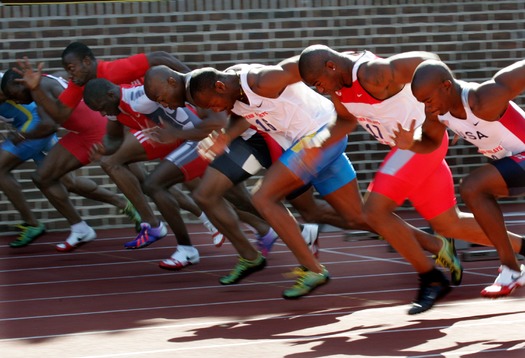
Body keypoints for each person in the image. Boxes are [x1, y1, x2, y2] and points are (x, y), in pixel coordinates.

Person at [297, 44, 525, 313]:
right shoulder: (338, 88)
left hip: (416, 145)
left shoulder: (375, 73)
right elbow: (345, 121)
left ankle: (431, 279)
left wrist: (445, 105)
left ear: (331, 67)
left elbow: (429, 60)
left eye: (317, 83)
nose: (319, 90)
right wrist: (315, 142)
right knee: (450, 224)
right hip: (415, 146)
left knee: (373, 211)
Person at [187, 60, 376, 300]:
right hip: (305, 145)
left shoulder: (262, 80)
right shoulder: (233, 95)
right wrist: (225, 137)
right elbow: (240, 116)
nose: (216, 110)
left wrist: (344, 81)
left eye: (213, 103)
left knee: (264, 198)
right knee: (359, 216)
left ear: (220, 87)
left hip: (323, 135)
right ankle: (434, 244)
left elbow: (306, 65)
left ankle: (314, 270)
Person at [84, 78, 276, 269]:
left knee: (158, 185)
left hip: (196, 139)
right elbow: (114, 138)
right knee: (230, 198)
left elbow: (206, 114)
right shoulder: (114, 108)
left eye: (102, 107)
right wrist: (104, 149)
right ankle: (271, 232)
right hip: (178, 140)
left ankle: (185, 246)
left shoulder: (139, 97)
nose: (102, 113)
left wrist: (186, 80)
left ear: (110, 94)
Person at [393, 59, 525, 298]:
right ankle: (512, 269)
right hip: (513, 165)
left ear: (446, 85)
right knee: (475, 191)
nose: (427, 108)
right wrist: (410, 143)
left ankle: (511, 268)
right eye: (422, 103)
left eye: (429, 100)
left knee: (473, 188)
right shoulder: (438, 113)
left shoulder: (483, 99)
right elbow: (431, 142)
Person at [1, 70, 141, 252]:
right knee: (55, 179)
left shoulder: (38, 89)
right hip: (79, 133)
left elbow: (49, 125)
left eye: (13, 96)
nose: (15, 101)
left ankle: (151, 221)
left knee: (144, 180)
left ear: (21, 85)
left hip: (92, 131)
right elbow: (61, 81)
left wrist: (23, 135)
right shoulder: (40, 84)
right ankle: (84, 226)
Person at [0, 73, 56, 247]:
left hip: (33, 124)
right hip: (26, 125)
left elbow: (4, 96)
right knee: (68, 182)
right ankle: (122, 203)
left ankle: (32, 224)